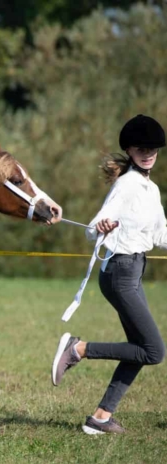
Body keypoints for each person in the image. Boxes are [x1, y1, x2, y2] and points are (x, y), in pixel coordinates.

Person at [51, 114, 167, 434]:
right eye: (142, 148)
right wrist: (100, 227)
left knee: (140, 348)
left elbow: (160, 235)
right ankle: (78, 349)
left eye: (153, 148)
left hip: (133, 271)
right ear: (129, 150)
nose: (148, 153)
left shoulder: (150, 188)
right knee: (155, 351)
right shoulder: (127, 184)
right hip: (120, 272)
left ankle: (100, 418)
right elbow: (94, 227)